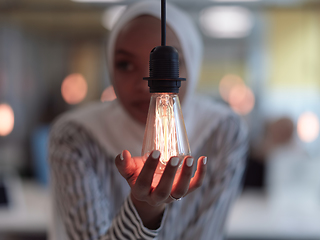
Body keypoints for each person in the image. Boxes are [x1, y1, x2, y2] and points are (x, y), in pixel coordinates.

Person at [48, 1, 248, 240]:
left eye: (170, 65)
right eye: (126, 64)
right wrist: (143, 210)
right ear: (111, 68)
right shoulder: (75, 136)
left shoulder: (223, 131)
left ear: (192, 66)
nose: (145, 85)